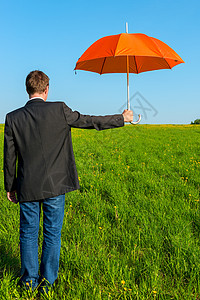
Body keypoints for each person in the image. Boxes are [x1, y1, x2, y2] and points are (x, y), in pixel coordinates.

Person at [4, 70, 133, 292]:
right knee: (52, 233)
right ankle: (48, 283)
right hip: (56, 185)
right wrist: (122, 118)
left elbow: (9, 157)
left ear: (28, 90)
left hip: (27, 186)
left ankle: (28, 283)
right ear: (46, 89)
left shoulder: (13, 117)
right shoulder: (59, 109)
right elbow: (89, 121)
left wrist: (10, 186)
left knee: (28, 233)